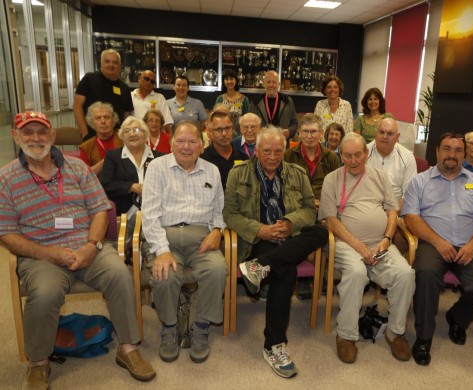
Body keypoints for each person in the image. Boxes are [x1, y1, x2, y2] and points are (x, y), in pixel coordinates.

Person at [0, 111, 155, 388]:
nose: (35, 138)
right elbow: (7, 234)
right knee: (44, 293)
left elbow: (99, 210)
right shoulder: (6, 179)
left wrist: (92, 246)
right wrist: (50, 254)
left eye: (41, 132)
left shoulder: (77, 169)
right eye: (27, 132)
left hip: (87, 247)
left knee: (120, 275)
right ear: (15, 136)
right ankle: (38, 362)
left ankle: (128, 348)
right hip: (40, 255)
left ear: (53, 136)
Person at [223, 126, 329, 379]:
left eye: (278, 151)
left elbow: (308, 209)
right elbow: (229, 214)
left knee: (321, 231)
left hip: (289, 235)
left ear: (285, 151)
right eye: (267, 151)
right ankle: (274, 345)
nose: (272, 156)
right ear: (257, 150)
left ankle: (260, 267)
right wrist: (260, 230)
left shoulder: (297, 173)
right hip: (258, 240)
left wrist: (291, 223)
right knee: (286, 270)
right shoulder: (238, 174)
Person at [402, 132, 473, 366]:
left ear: (464, 155)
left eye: (457, 150)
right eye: (447, 149)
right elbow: (411, 218)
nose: (452, 155)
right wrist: (438, 241)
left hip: (470, 245)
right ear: (437, 151)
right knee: (425, 275)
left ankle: (457, 317)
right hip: (432, 243)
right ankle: (424, 337)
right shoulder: (419, 181)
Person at [319, 132, 415, 364]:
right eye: (348, 156)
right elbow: (331, 220)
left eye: (358, 155)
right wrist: (359, 247)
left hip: (379, 243)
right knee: (356, 272)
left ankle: (395, 332)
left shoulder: (380, 177)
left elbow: (392, 211)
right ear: (341, 156)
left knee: (405, 274)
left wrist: (387, 238)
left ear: (366, 153)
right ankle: (346, 335)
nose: (353, 161)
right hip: (345, 243)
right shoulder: (332, 179)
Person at [141, 120, 227, 364]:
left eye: (192, 141)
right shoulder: (157, 168)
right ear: (171, 144)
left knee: (217, 269)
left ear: (201, 145)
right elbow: (149, 215)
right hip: (165, 235)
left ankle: (200, 327)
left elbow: (218, 211)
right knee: (165, 273)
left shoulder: (212, 170)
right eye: (180, 141)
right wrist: (162, 250)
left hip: (202, 238)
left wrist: (218, 230)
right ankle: (169, 328)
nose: (186, 147)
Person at [284, 113, 340, 299]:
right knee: (301, 228)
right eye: (305, 132)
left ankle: (323, 274)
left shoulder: (331, 157)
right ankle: (305, 278)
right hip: (297, 207)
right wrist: (307, 202)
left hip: (323, 207)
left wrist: (323, 203)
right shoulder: (288, 156)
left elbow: (336, 188)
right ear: (298, 133)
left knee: (326, 229)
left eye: (313, 132)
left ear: (321, 134)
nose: (309, 136)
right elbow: (284, 187)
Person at [99, 116, 162, 255]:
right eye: (127, 131)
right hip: (124, 216)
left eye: (137, 130)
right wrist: (132, 187)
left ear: (146, 134)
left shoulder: (159, 158)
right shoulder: (113, 156)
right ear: (122, 136)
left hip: (154, 214)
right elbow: (105, 185)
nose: (133, 133)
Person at [74, 49, 133, 141]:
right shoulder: (89, 79)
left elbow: (126, 114)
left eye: (115, 62)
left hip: (118, 139)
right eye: (107, 61)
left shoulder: (124, 88)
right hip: (92, 137)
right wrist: (85, 134)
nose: (111, 65)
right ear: (101, 63)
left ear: (120, 66)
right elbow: (77, 107)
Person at [366, 118, 417, 209]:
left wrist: (392, 213)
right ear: (376, 133)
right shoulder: (363, 153)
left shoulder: (407, 157)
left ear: (397, 137)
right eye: (381, 132)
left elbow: (408, 196)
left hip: (395, 208)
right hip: (367, 206)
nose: (384, 137)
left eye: (390, 134)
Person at [201, 110, 248, 189]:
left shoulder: (243, 158)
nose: (224, 134)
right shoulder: (202, 159)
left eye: (227, 128)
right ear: (210, 132)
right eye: (219, 129)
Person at [249, 70, 298, 142]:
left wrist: (289, 131)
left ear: (279, 84)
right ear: (264, 84)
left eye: (274, 82)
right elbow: (249, 124)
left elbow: (294, 123)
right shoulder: (255, 102)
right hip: (262, 144)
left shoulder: (287, 101)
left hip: (282, 144)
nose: (271, 85)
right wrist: (258, 130)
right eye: (268, 82)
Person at [79, 101, 123, 176]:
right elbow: (85, 176)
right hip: (98, 185)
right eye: (98, 118)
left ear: (113, 120)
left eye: (106, 117)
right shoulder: (86, 147)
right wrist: (107, 160)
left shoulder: (124, 139)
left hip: (124, 183)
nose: (103, 121)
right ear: (92, 123)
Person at [131, 70, 174, 134]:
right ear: (139, 79)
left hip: (153, 138)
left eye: (152, 81)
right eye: (146, 79)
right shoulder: (130, 96)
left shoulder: (160, 98)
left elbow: (167, 122)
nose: (149, 82)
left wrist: (171, 141)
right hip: (134, 136)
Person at [214, 68, 250, 136]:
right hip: (223, 135)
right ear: (223, 81)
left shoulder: (244, 100)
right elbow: (215, 119)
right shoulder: (220, 99)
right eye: (226, 79)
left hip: (239, 136)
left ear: (236, 81)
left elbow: (247, 121)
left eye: (231, 79)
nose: (229, 81)